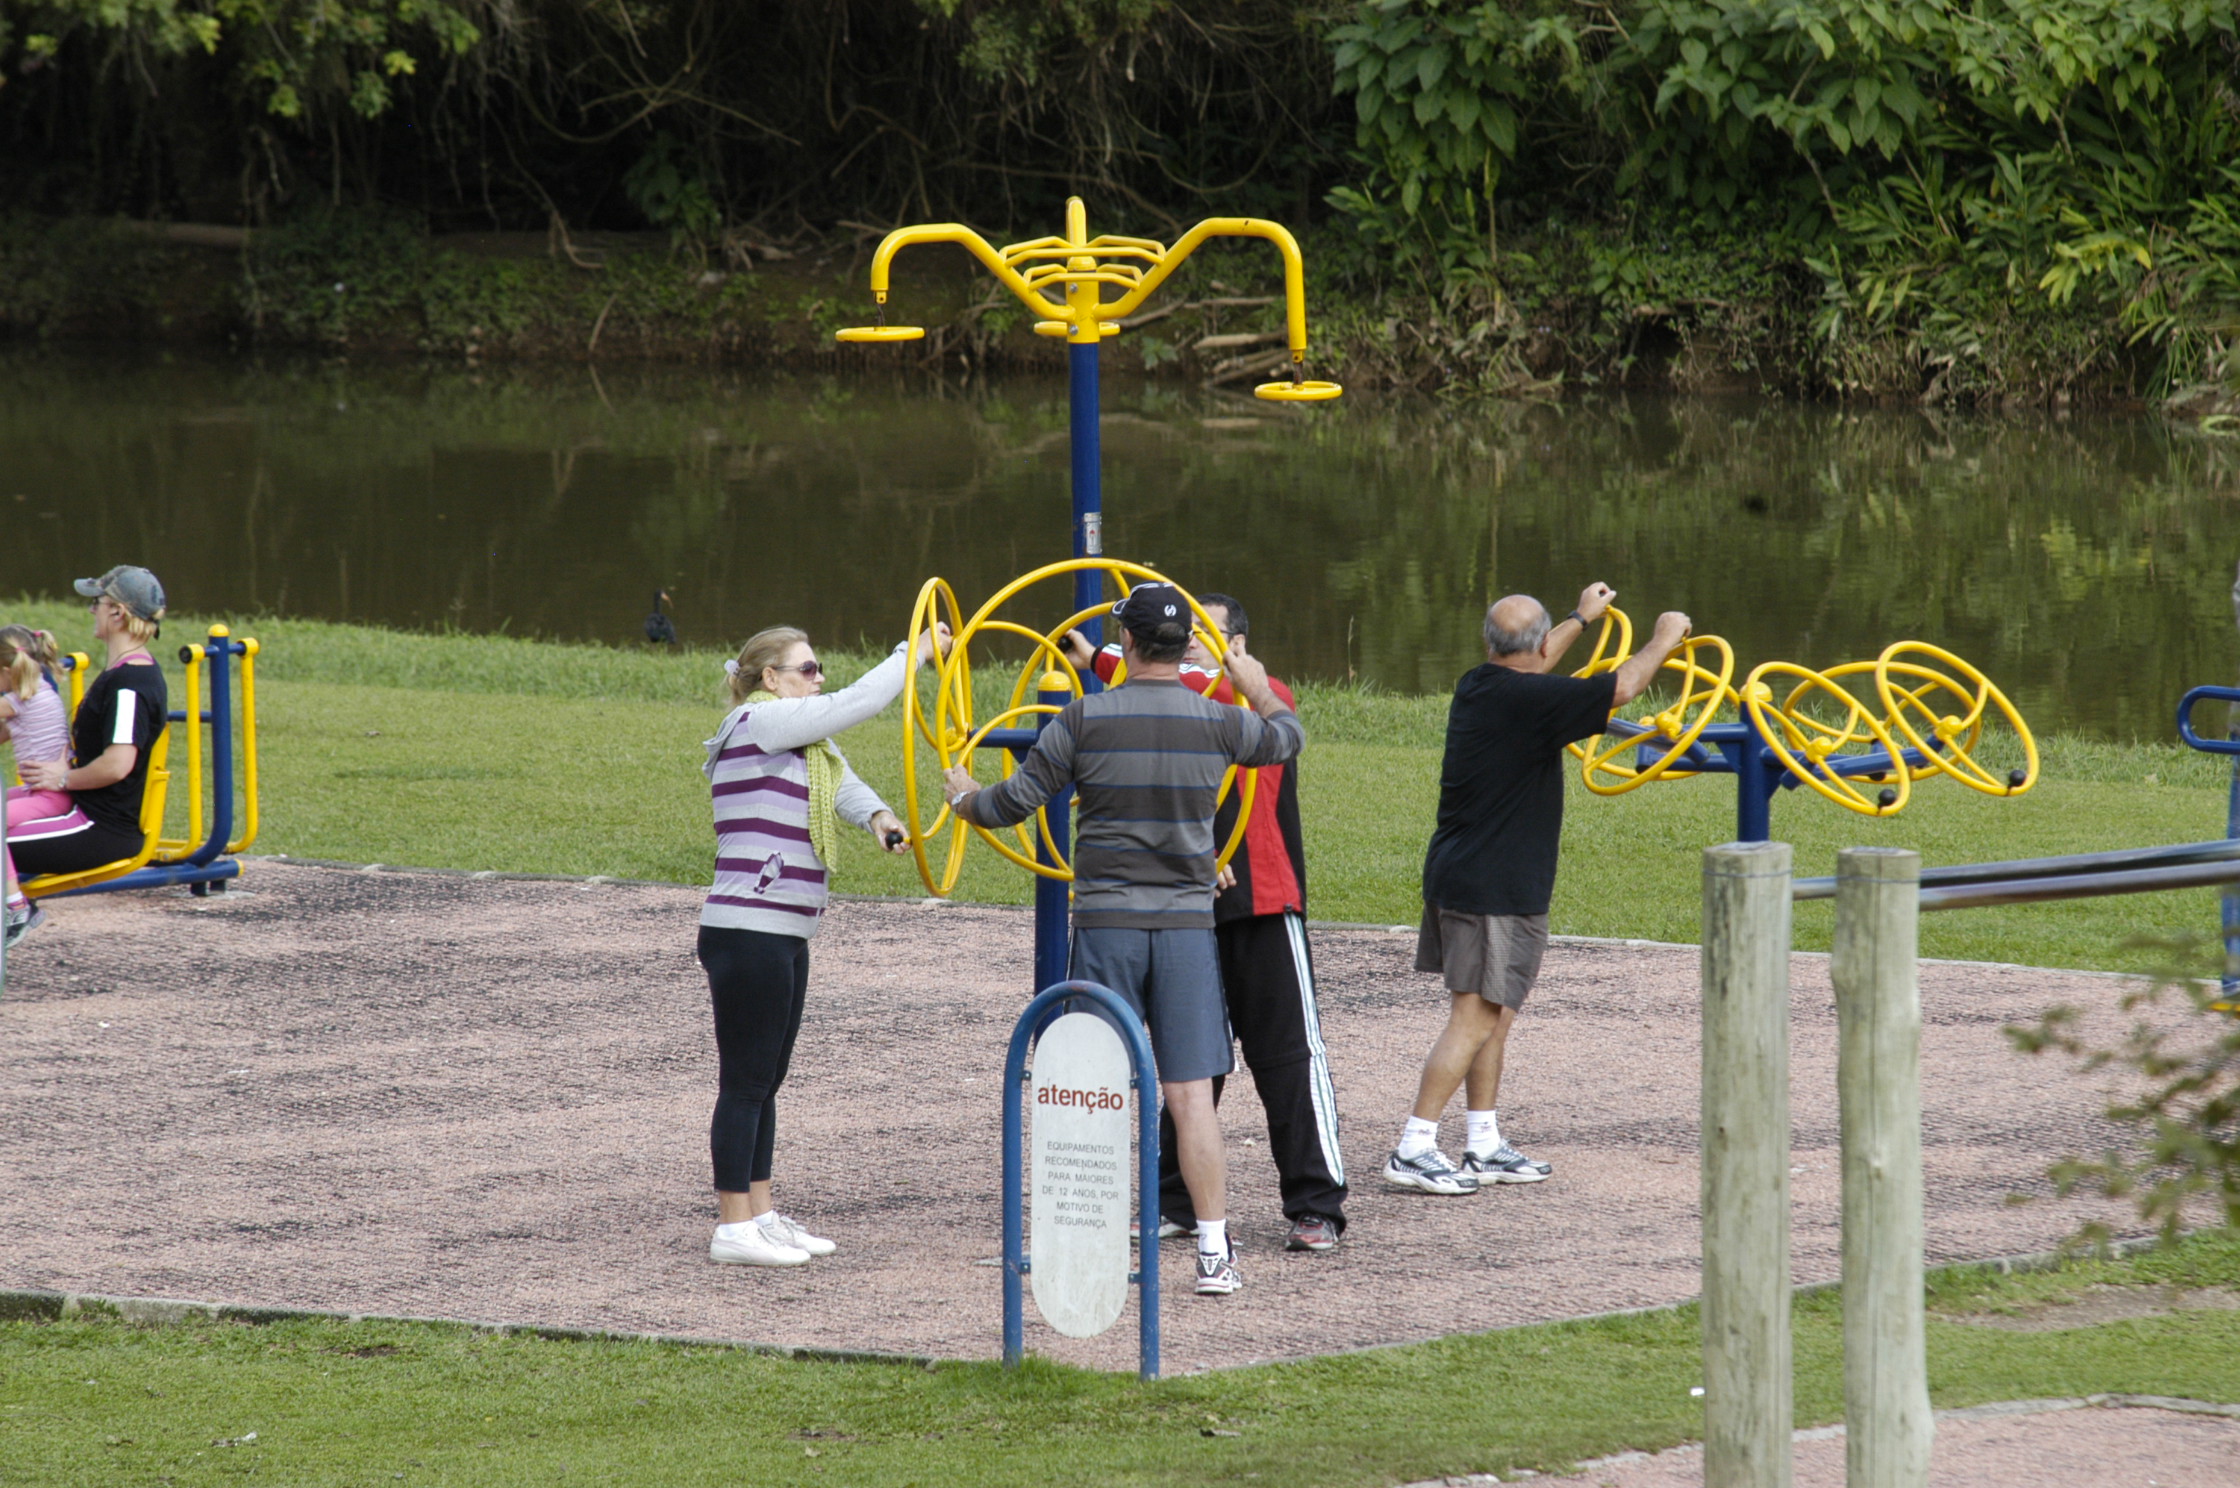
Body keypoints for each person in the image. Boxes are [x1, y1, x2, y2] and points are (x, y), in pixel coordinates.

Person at [946, 582, 1304, 1296]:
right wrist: (1255, 686)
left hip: (1107, 921)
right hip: (1185, 928)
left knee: (1090, 1086)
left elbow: (1014, 803)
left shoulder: (1084, 718)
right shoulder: (1217, 720)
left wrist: (962, 795)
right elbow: (1286, 739)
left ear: (1130, 645)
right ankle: (1212, 1252)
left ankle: (1083, 1244)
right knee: (1191, 1096)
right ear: (1181, 648)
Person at [1061, 593, 1347, 1253]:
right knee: (1192, 1068)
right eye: (1184, 633)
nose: (1188, 642)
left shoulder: (1260, 693)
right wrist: (1101, 657)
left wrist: (1107, 658)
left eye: (1205, 635)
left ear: (1238, 649)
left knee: (1288, 1059)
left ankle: (1316, 1203)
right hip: (1185, 904)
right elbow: (1161, 685)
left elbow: (1191, 686)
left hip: (1262, 902)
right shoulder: (1179, 694)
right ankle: (1177, 1202)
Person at [1387, 584, 1691, 1195]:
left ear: (1491, 644)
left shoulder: (1482, 683)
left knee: (1494, 1016)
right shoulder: (1533, 700)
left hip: (1469, 873)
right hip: (1491, 885)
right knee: (1474, 1019)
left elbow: (1540, 658)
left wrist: (1582, 617)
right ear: (1535, 645)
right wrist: (1665, 636)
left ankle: (1483, 1143)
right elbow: (1624, 686)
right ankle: (1413, 1147)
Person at [699, 619, 949, 1267]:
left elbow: (838, 781)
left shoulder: (801, 745)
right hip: (747, 930)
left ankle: (761, 1212)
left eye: (820, 669)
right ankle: (733, 1227)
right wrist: (911, 652)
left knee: (767, 1079)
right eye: (807, 670)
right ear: (770, 679)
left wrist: (879, 818)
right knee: (746, 1080)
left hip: (783, 931)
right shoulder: (759, 723)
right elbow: (860, 702)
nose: (819, 680)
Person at [5, 570, 171, 949]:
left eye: (97, 602)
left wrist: (62, 779)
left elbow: (117, 764)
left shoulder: (130, 684)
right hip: (82, 811)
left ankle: (18, 912)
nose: (91, 609)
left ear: (118, 613)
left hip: (100, 828)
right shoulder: (119, 673)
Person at [1, 625, 71, 945]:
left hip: (50, 796)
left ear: (6, 672)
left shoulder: (19, 700)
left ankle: (17, 906)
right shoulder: (38, 690)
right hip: (43, 791)